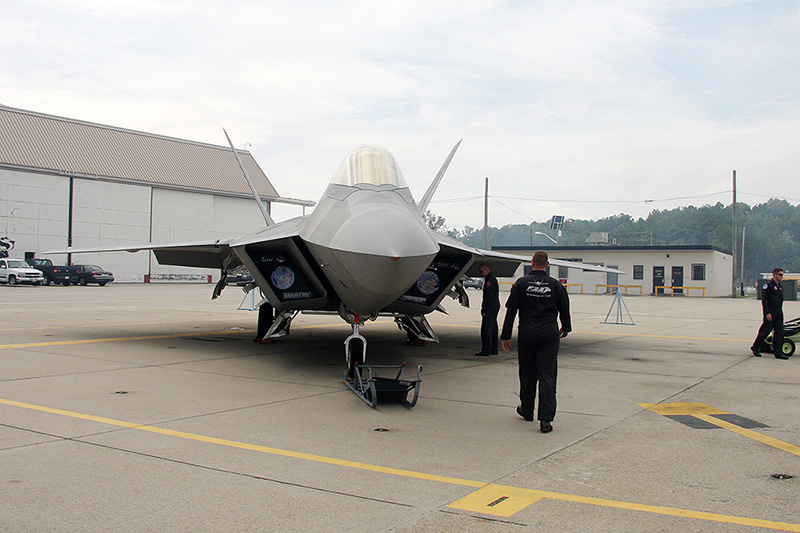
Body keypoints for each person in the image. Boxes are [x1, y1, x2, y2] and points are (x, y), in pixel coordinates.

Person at [501, 250, 571, 433]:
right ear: (547, 265)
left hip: (527, 331)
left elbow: (511, 311)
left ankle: (527, 409)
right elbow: (565, 308)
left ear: (532, 263)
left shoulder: (521, 284)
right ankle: (546, 419)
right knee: (547, 374)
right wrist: (566, 327)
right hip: (549, 332)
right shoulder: (556, 285)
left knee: (527, 373)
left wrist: (506, 336)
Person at [751, 268, 788, 359]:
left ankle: (778, 353)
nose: (781, 277)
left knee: (779, 333)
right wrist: (767, 313)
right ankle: (755, 347)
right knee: (765, 331)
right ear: (774, 275)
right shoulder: (768, 286)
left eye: (782, 275)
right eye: (780, 275)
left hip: (779, 312)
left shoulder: (780, 287)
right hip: (770, 313)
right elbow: (765, 300)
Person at [475, 263, 500, 356]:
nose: (481, 274)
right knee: (493, 328)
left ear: (486, 270)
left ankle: (486, 350)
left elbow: (488, 296)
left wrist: (484, 309)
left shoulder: (490, 280)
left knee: (487, 329)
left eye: (481, 272)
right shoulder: (492, 278)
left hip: (490, 307)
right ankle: (494, 349)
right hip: (494, 305)